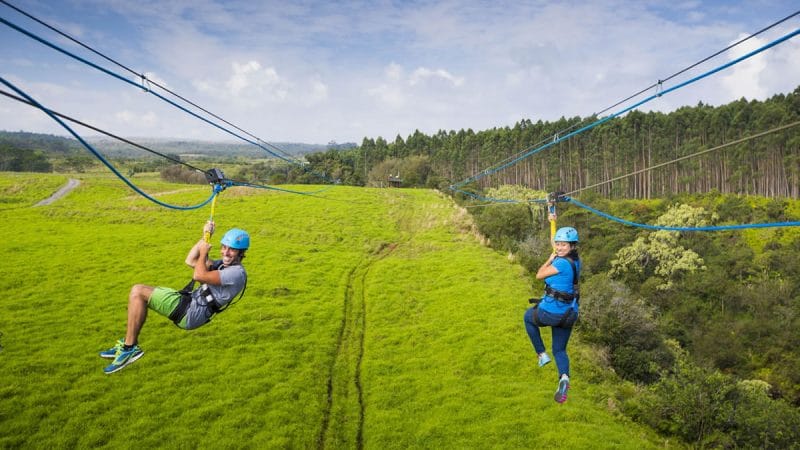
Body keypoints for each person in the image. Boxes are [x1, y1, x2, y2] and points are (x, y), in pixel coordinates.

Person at [100, 221, 249, 374]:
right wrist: (205, 236)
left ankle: (129, 348)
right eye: (224, 247)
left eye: (232, 250)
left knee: (138, 292)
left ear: (241, 253)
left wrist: (204, 252)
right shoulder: (223, 266)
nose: (226, 252)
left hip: (192, 312)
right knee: (138, 292)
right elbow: (190, 260)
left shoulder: (236, 273)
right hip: (190, 302)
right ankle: (128, 345)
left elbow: (199, 275)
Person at [523, 226, 580, 404]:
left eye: (563, 245)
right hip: (569, 314)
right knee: (560, 350)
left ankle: (541, 354)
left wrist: (549, 259)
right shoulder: (575, 261)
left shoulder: (559, 263)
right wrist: (552, 217)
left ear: (571, 246)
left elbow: (539, 275)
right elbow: (556, 244)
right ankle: (564, 378)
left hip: (552, 312)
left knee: (528, 317)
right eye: (557, 244)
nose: (559, 247)